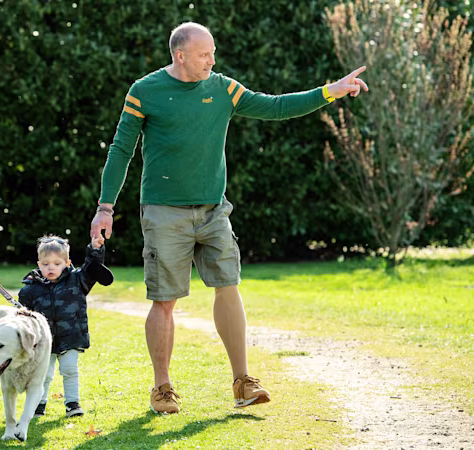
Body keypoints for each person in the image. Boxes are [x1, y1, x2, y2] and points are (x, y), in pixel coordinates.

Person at [90, 22, 368, 414]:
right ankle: (162, 388)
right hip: (164, 211)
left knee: (228, 284)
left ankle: (243, 382)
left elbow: (275, 106)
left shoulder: (222, 88)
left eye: (213, 52)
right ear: (180, 55)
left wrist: (330, 92)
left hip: (214, 209)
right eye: (205, 54)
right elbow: (121, 150)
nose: (212, 60)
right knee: (164, 299)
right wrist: (105, 207)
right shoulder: (144, 91)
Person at [18, 234, 113, 418]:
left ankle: (72, 403)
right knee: (43, 373)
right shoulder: (30, 288)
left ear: (67, 263)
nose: (50, 267)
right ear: (39, 264)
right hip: (43, 341)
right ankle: (39, 404)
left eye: (56, 263)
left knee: (70, 370)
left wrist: (95, 248)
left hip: (71, 336)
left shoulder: (78, 281)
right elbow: (24, 316)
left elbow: (92, 267)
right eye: (45, 264)